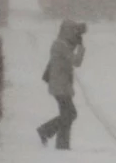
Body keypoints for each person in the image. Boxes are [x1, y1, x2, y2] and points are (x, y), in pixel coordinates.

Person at [37, 19, 87, 150]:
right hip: (60, 86)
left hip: (61, 85)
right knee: (70, 114)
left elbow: (69, 54)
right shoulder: (60, 45)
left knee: (66, 114)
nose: (73, 33)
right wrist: (80, 47)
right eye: (72, 30)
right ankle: (45, 130)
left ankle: (62, 144)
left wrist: (76, 42)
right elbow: (76, 61)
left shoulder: (60, 44)